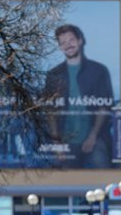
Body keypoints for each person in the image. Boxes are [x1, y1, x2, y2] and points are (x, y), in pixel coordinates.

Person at [42, 24, 115, 169]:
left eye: (71, 40)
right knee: (62, 184)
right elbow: (50, 111)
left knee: (106, 178)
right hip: (65, 142)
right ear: (60, 47)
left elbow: (104, 106)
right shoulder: (53, 75)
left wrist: (93, 136)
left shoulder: (99, 71)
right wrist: (57, 143)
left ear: (80, 40)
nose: (68, 45)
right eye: (63, 42)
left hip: (95, 138)